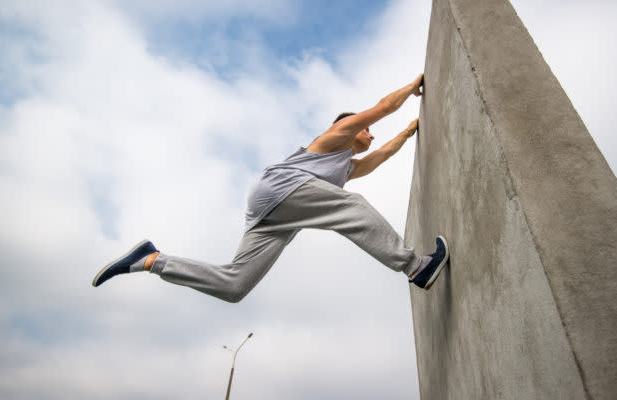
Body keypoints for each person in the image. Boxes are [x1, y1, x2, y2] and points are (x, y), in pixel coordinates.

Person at [92, 74, 449, 302]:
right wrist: (412, 86)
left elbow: (381, 157)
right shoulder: (334, 137)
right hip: (280, 189)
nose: (371, 135)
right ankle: (415, 266)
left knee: (236, 286)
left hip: (272, 214)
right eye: (366, 130)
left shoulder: (345, 168)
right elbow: (382, 107)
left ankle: (152, 260)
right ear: (348, 127)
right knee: (351, 207)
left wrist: (407, 131)